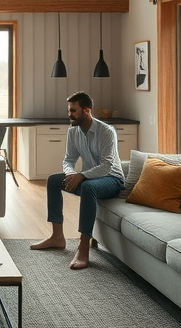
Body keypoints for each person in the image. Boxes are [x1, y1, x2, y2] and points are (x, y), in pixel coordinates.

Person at [31, 91, 125, 270]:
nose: (69, 114)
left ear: (87, 110)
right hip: (88, 178)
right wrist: (70, 174)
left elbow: (106, 166)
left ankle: (83, 248)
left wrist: (81, 176)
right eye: (69, 110)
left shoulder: (106, 131)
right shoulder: (73, 131)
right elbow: (68, 159)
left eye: (73, 110)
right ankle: (57, 237)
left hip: (112, 179)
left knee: (89, 187)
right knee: (52, 180)